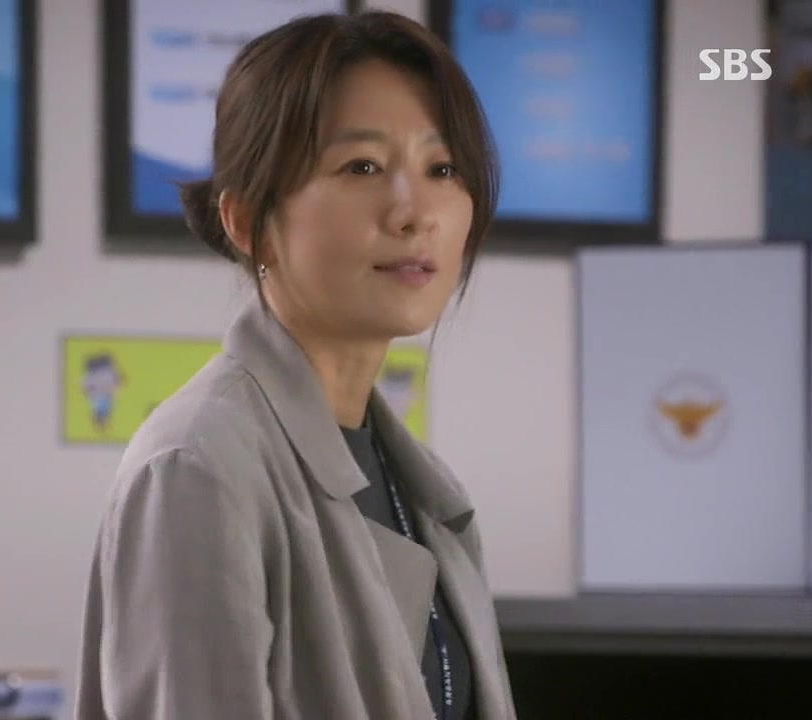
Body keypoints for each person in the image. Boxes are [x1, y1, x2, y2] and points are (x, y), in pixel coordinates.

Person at [74, 9, 514, 720]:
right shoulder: (200, 466)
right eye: (362, 167)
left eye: (442, 169)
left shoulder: (424, 486)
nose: (415, 212)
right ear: (249, 221)